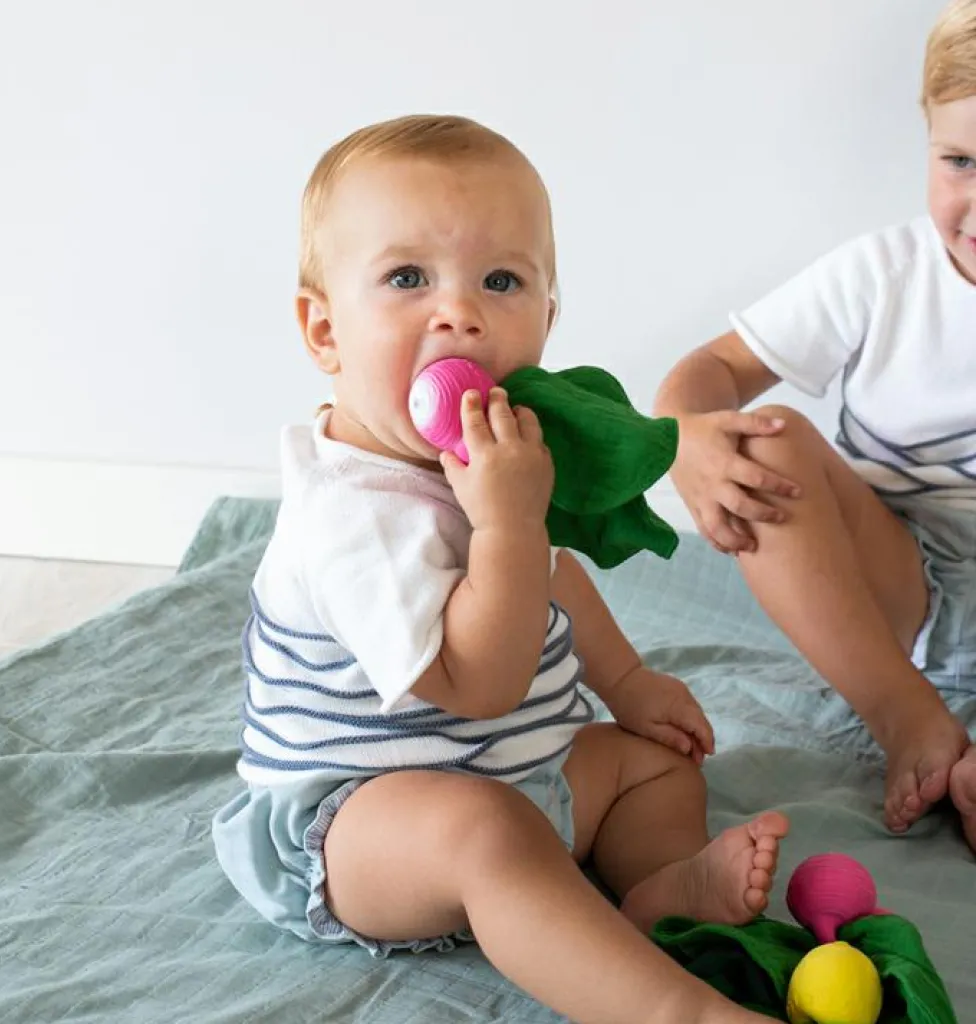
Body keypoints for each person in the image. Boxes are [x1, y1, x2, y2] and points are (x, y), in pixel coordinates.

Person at [212, 113, 787, 1024]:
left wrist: (627, 683)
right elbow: (478, 685)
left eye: (501, 281)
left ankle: (658, 891)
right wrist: (507, 522)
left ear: (548, 318)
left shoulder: (496, 457)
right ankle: (676, 1010)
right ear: (324, 332)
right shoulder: (351, 517)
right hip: (357, 831)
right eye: (408, 278)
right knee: (485, 831)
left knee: (652, 768)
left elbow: (554, 575)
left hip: (525, 772)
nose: (460, 313)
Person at [654, 0, 976, 850]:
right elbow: (713, 369)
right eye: (961, 162)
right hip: (898, 593)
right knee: (763, 439)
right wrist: (683, 432)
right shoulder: (885, 274)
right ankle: (906, 714)